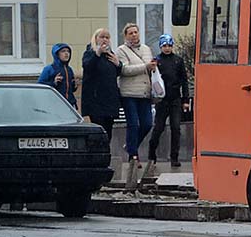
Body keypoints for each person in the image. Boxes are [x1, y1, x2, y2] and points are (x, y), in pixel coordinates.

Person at [116, 23, 157, 186]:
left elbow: (148, 67)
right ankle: (133, 155)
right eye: (130, 33)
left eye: (136, 32)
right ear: (125, 35)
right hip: (129, 93)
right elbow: (125, 70)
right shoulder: (121, 51)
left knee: (147, 124)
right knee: (133, 124)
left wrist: (152, 68)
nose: (134, 35)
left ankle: (130, 145)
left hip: (145, 92)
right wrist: (145, 66)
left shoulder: (146, 49)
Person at [147, 34, 190, 170]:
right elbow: (151, 79)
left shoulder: (178, 60)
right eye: (164, 46)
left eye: (169, 46)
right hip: (161, 100)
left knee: (176, 128)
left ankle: (174, 157)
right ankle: (151, 155)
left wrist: (185, 100)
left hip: (175, 99)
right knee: (158, 128)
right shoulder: (156, 60)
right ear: (160, 47)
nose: (167, 48)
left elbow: (184, 81)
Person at [80, 28, 122, 143]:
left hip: (110, 101)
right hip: (96, 101)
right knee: (98, 131)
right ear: (95, 39)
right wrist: (97, 53)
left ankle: (106, 156)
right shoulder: (90, 53)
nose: (105, 40)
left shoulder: (110, 55)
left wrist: (118, 64)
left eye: (107, 37)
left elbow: (116, 73)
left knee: (108, 133)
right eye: (102, 37)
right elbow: (87, 66)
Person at [38, 43, 77, 107]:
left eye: (68, 51)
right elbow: (40, 86)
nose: (66, 53)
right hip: (54, 104)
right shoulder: (49, 69)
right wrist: (54, 83)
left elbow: (70, 89)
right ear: (57, 54)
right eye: (63, 51)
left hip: (69, 104)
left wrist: (74, 85)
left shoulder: (69, 69)